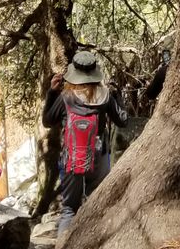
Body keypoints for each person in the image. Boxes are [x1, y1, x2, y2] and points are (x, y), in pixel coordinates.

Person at [42, 50, 127, 237]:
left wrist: (52, 92)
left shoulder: (65, 97)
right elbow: (123, 120)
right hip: (99, 155)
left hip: (72, 156)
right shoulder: (105, 96)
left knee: (69, 209)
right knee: (96, 204)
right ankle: (96, 245)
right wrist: (118, 96)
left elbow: (47, 121)